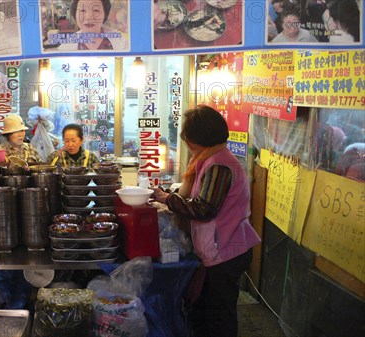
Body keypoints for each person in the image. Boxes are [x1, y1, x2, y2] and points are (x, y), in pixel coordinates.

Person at [151, 106, 261, 337]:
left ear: (199, 138)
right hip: (219, 248)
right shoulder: (210, 158)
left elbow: (204, 208)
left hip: (227, 251)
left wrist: (167, 199)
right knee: (205, 310)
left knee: (219, 315)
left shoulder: (219, 165)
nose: (187, 142)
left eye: (188, 137)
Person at [57, 0, 129, 51]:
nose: (89, 17)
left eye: (96, 10)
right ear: (75, 14)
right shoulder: (65, 47)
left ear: (105, 14)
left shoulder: (122, 42)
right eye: (82, 10)